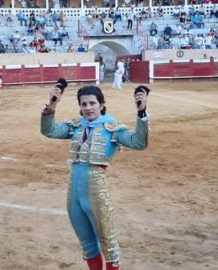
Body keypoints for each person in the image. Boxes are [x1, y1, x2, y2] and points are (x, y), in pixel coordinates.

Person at [40, 84, 149, 270]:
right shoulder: (76, 126)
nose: (88, 107)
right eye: (84, 104)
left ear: (101, 104)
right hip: (74, 192)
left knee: (108, 242)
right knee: (87, 244)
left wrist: (141, 113)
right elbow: (48, 131)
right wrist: (51, 106)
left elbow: (139, 143)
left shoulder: (112, 128)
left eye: (92, 103)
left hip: (96, 191)